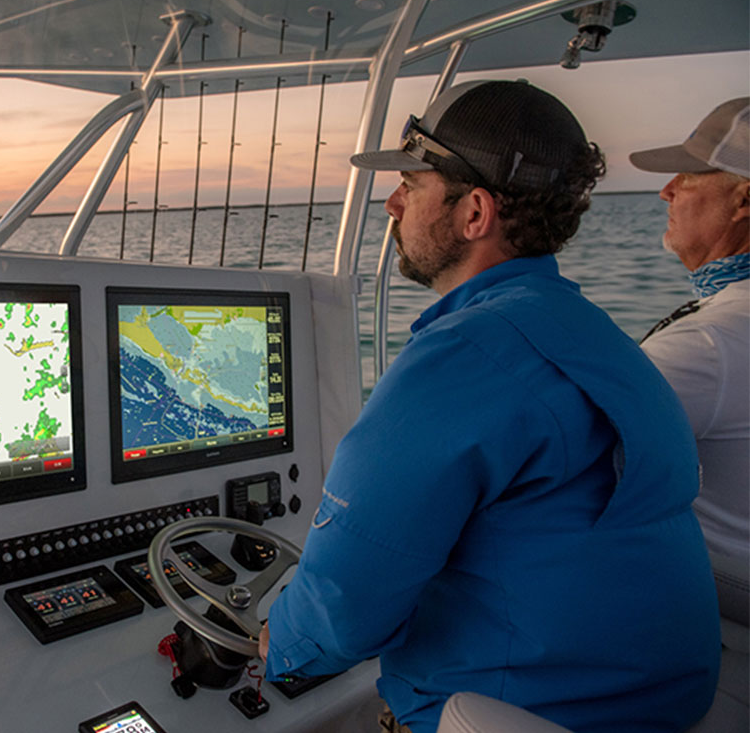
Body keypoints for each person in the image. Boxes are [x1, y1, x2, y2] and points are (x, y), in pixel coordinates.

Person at [259, 81, 720, 733]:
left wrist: (274, 644)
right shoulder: (590, 331)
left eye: (412, 187)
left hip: (527, 713)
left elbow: (345, 610)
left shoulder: (465, 356)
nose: (391, 204)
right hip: (660, 703)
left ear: (474, 212)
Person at [629, 97, 749, 566]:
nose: (667, 191)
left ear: (745, 200)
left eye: (689, 175)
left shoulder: (711, 342)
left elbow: (552, 454)